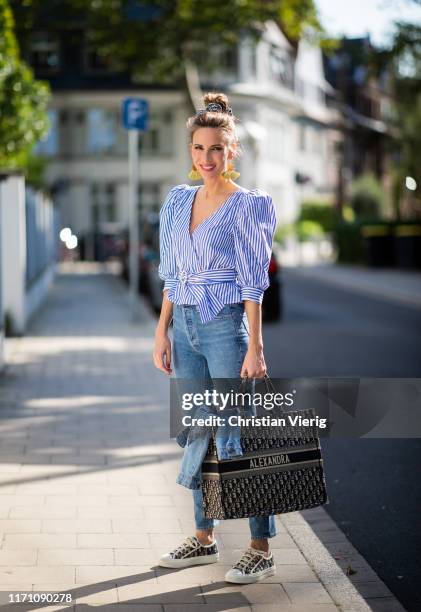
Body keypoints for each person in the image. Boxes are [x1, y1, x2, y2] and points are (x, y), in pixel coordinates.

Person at [152, 92, 277, 584]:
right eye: (199, 149)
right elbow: (171, 274)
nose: (207, 158)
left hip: (225, 325)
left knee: (238, 433)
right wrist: (161, 331)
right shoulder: (177, 201)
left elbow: (253, 283)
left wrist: (255, 346)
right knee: (197, 432)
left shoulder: (248, 206)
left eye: (217, 150)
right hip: (183, 327)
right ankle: (204, 539)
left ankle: (260, 547)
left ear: (232, 153)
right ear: (191, 151)